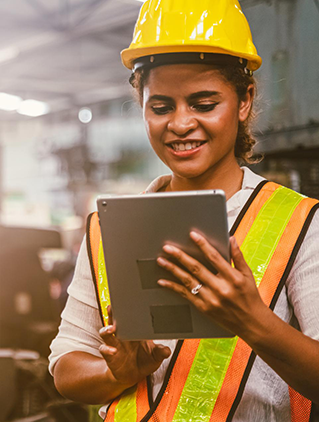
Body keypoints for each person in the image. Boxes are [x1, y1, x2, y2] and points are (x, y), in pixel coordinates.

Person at [48, 1, 319, 421]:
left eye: (203, 104)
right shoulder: (107, 227)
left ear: (244, 100)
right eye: (161, 107)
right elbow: (67, 367)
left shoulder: (302, 223)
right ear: (142, 105)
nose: (179, 123)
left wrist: (254, 322)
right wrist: (117, 373)